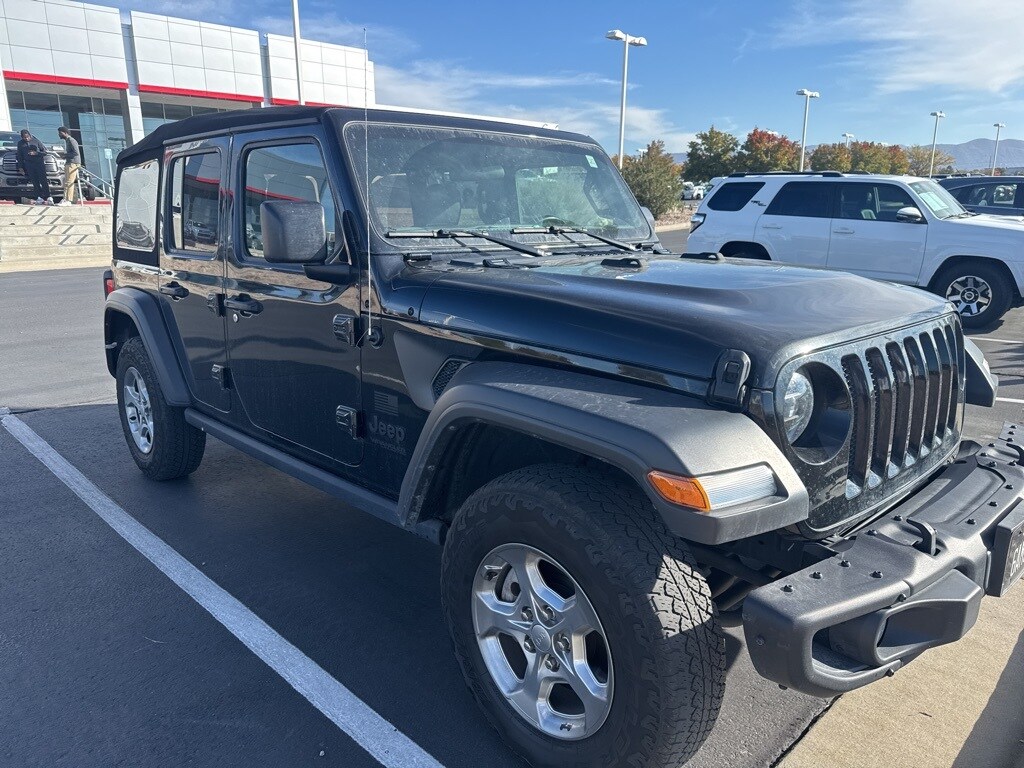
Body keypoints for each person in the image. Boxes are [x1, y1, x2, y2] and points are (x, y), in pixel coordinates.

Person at [16, 129, 53, 205]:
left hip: (39, 163)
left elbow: (45, 152)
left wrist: (36, 153)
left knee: (43, 180)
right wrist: (20, 167)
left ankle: (48, 196)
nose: (26, 139)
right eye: (24, 137)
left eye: (27, 137)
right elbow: (19, 156)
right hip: (29, 165)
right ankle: (39, 197)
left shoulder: (36, 141)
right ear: (22, 137)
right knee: (34, 181)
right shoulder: (20, 143)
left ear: (30, 135)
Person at [56, 127, 81, 206]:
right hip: (69, 163)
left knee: (69, 182)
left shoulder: (71, 140)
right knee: (67, 182)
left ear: (65, 133)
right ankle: (66, 199)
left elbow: (76, 152)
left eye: (60, 133)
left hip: (73, 163)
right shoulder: (67, 141)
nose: (59, 134)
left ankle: (68, 200)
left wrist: (65, 155)